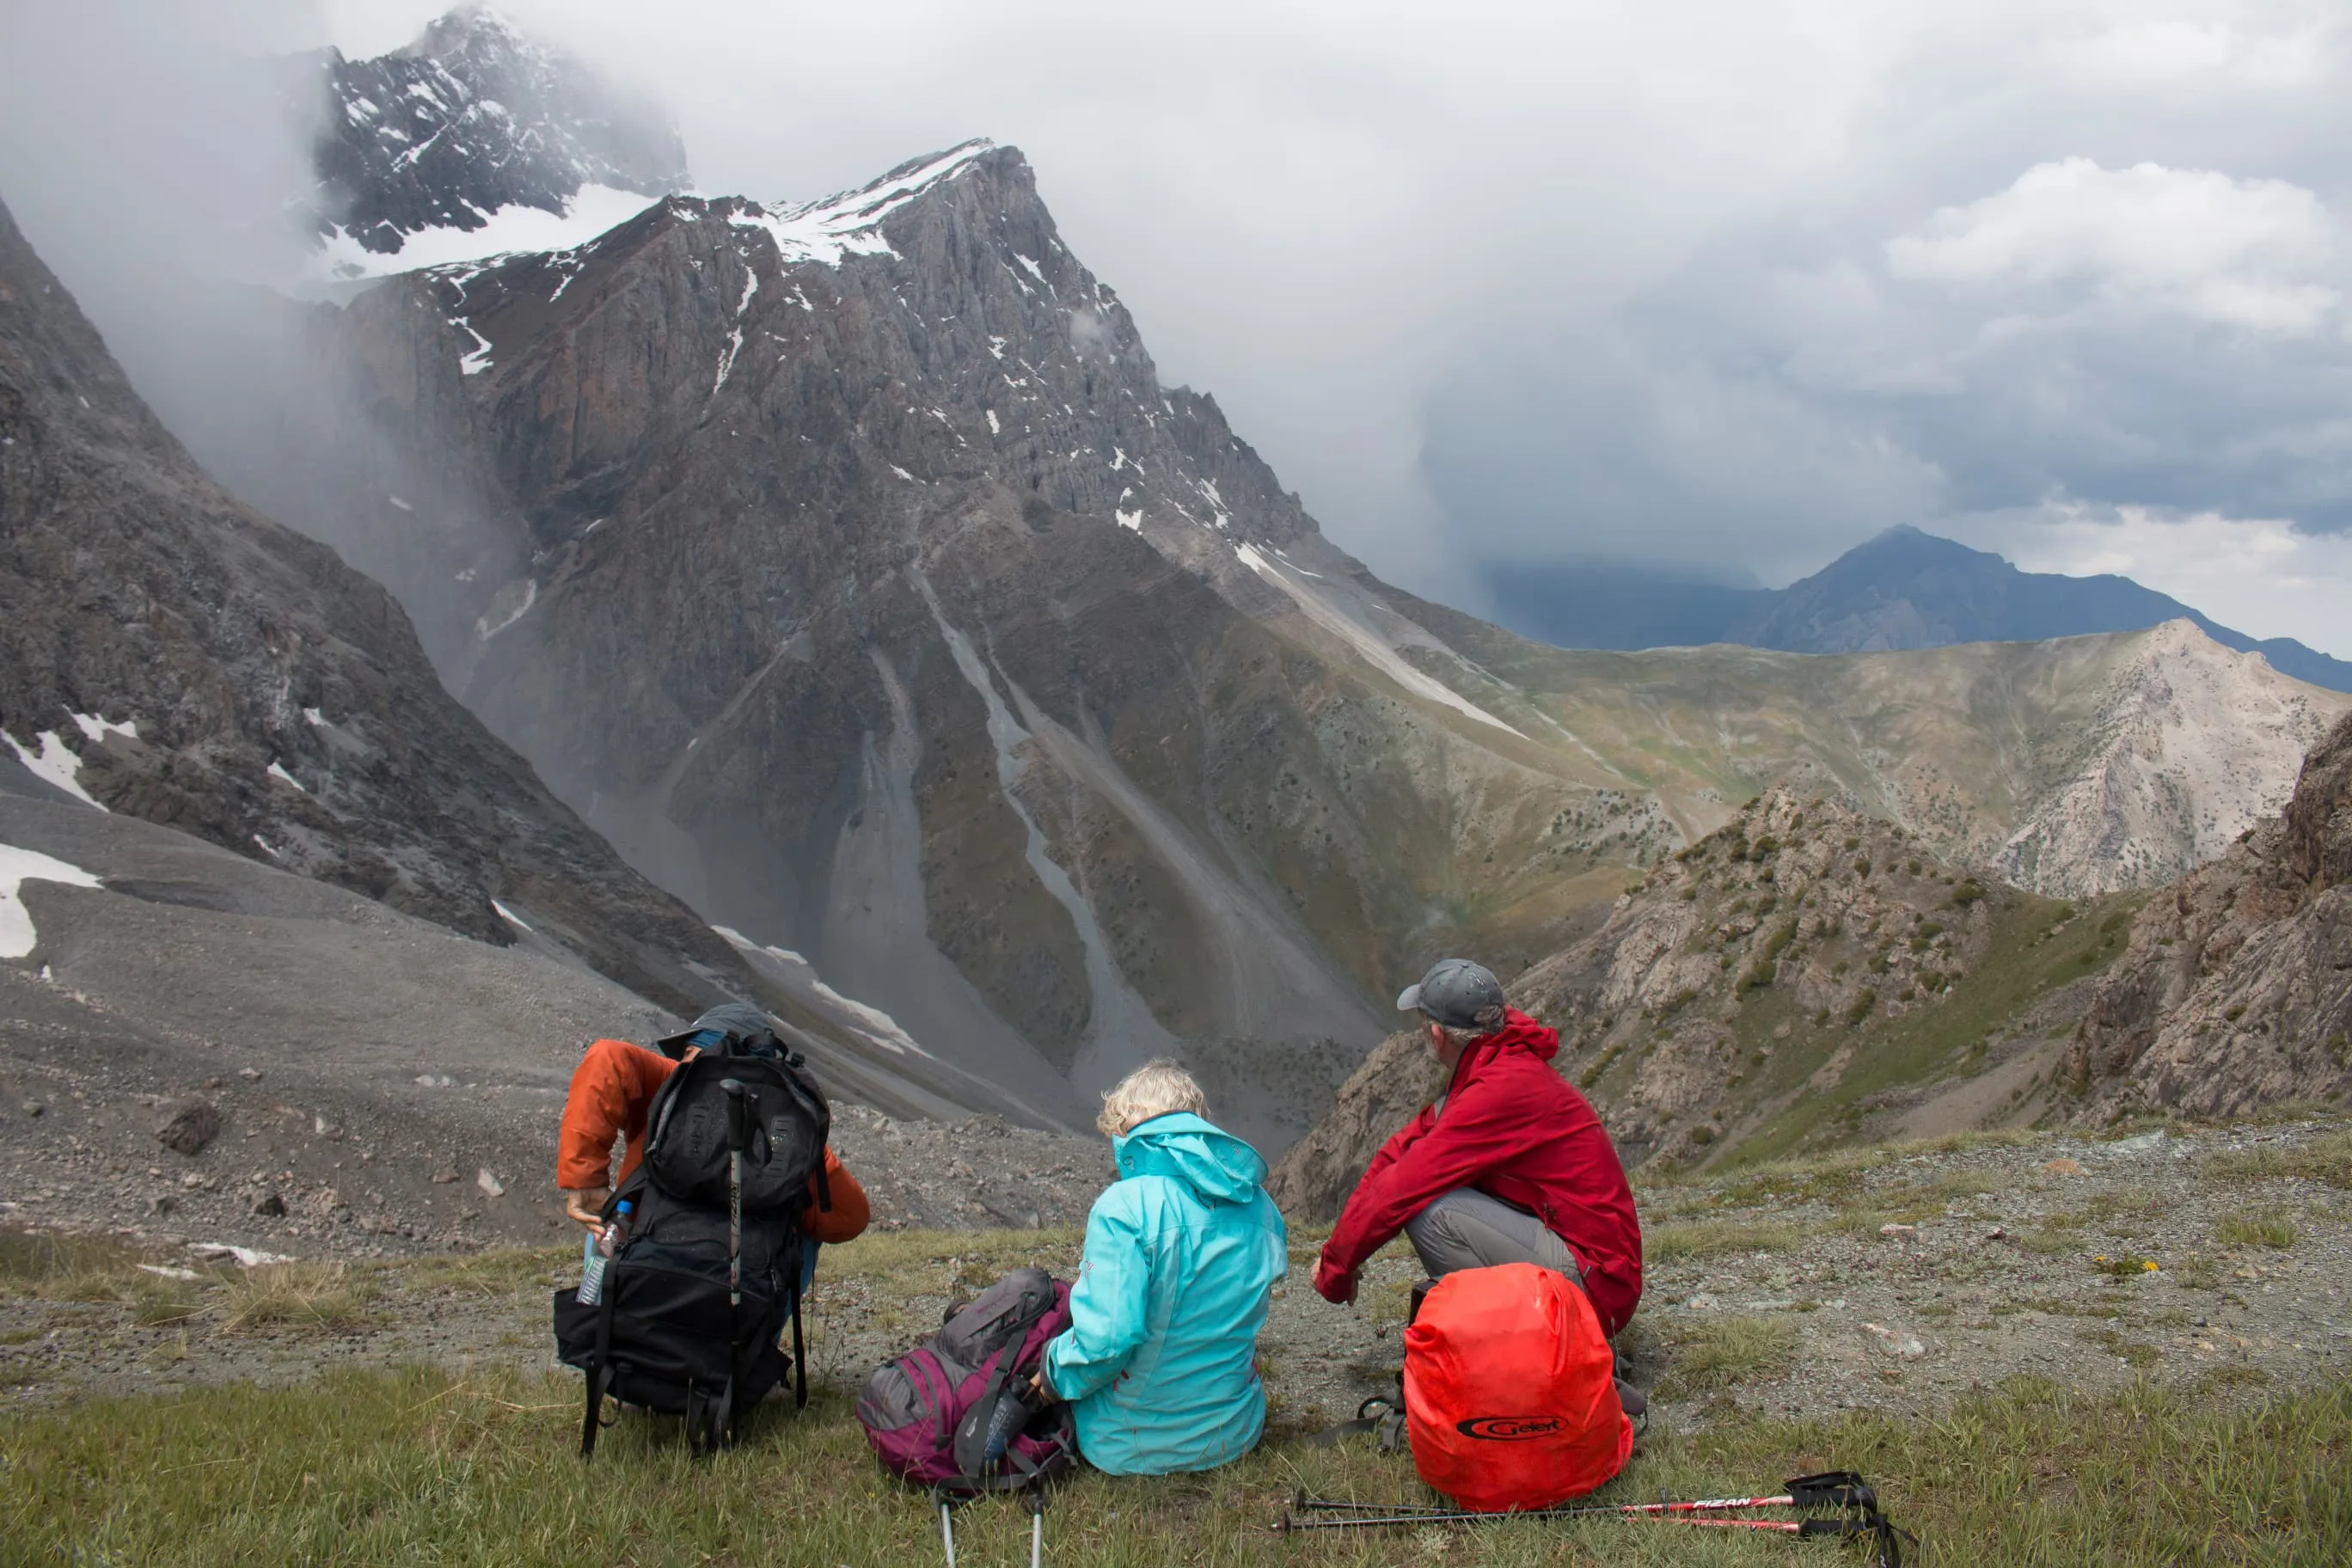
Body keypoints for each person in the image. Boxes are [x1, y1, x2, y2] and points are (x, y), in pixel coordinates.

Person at [1312, 959, 1643, 1339]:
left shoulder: (1497, 1090)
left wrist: (1335, 1272)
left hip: (1598, 1289)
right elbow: (1399, 1154)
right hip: (1594, 1269)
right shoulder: (1498, 1067)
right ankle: (1519, 1335)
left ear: (1437, 1035)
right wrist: (1338, 1254)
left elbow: (1400, 1189)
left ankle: (1521, 1343)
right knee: (1424, 1189)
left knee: (1429, 1210)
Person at [1029, 1061, 1286, 1476]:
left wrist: (1052, 1372)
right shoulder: (1259, 1205)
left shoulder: (1123, 1208)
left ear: (1130, 1130)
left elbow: (1107, 1342)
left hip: (1128, 1446)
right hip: (1235, 1433)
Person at [556, 1002, 870, 1284]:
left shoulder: (669, 1083)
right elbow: (850, 1217)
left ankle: (602, 1314)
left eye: (689, 1050)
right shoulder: (784, 1130)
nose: (682, 1060)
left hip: (641, 1269)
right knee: (801, 1228)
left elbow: (608, 1058)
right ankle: (758, 1340)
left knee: (612, 1216)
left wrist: (584, 1180)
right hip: (735, 1292)